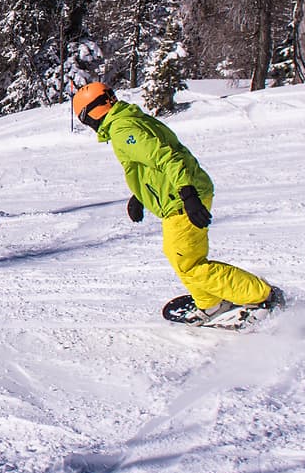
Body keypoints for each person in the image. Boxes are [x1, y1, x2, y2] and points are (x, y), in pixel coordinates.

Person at [71, 82, 281, 324]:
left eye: (85, 119)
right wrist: (140, 194)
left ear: (93, 112)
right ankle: (210, 303)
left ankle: (261, 296)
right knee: (180, 256)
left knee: (190, 264)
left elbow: (166, 157)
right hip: (180, 193)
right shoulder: (130, 118)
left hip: (181, 199)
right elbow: (153, 160)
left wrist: (187, 194)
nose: (88, 125)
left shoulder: (121, 130)